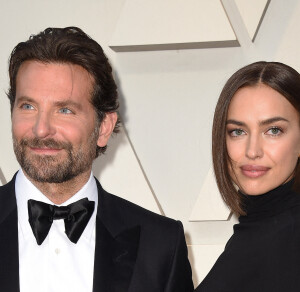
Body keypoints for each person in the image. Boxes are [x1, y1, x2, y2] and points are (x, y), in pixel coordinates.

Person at [0, 27, 193, 292]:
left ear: (103, 127)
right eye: (28, 106)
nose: (40, 129)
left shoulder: (160, 245)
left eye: (64, 110)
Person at [195, 61, 300, 292]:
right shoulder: (258, 231)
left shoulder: (288, 239)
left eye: (273, 130)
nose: (252, 151)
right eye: (238, 131)